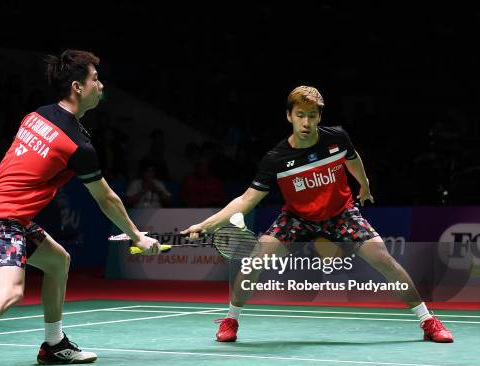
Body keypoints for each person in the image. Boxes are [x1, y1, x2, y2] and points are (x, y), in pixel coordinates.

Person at [0, 49, 160, 366]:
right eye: (96, 79)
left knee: (57, 261)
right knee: (10, 291)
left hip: (8, 215)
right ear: (78, 87)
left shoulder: (37, 115)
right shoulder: (78, 146)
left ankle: (54, 344)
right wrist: (138, 236)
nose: (101, 85)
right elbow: (106, 198)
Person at [182, 86, 453, 344]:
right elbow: (246, 200)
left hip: (340, 212)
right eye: (300, 115)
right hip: (297, 217)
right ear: (289, 116)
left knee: (384, 259)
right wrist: (206, 224)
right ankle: (231, 320)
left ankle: (427, 321)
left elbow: (352, 158)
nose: (306, 122)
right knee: (254, 262)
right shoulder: (276, 158)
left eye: (312, 116)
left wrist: (364, 185)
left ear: (319, 116)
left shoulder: (336, 138)